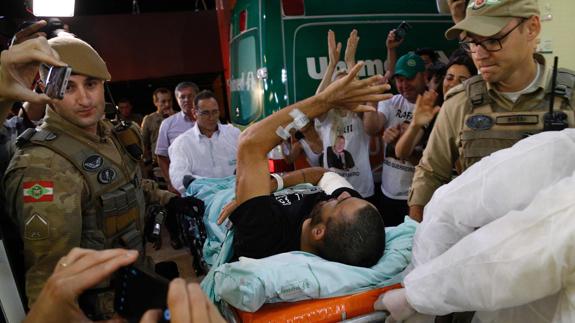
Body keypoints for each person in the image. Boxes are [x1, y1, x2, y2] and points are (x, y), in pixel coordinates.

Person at [1, 35, 194, 316]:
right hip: (101, 311)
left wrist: (167, 200)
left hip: (137, 287)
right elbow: (47, 285)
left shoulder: (112, 135)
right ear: (47, 90)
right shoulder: (43, 168)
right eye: (68, 87)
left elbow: (130, 184)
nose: (84, 99)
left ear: (104, 85)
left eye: (91, 84)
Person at [376, 128, 575, 323]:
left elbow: (525, 253)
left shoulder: (561, 149)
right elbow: (449, 204)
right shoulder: (562, 150)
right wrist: (418, 292)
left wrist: (417, 295)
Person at [408, 0, 575, 222]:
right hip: (480, 248)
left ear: (532, 28)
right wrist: (415, 236)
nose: (479, 54)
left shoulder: (571, 97)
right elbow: (430, 174)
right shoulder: (460, 103)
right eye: (472, 42)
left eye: (493, 40)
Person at [222, 62, 390, 267]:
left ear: (319, 232)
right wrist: (274, 184)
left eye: (340, 202)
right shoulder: (351, 213)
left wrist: (326, 100)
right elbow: (322, 174)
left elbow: (250, 143)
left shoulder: (265, 236)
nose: (344, 194)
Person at [24, 248, 225, 323]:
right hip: (101, 297)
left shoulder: (117, 153)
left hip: (128, 281)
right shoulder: (49, 165)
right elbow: (48, 265)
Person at [364, 52, 427, 226]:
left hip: (418, 198)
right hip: (387, 194)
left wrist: (400, 146)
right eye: (399, 79)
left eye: (410, 78)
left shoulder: (432, 107)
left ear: (424, 76)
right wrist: (374, 99)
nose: (404, 85)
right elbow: (371, 128)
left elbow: (430, 162)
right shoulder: (392, 102)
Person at [315, 30, 375, 200]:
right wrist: (331, 65)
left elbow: (361, 94)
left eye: (347, 85)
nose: (344, 90)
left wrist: (350, 63)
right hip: (333, 189)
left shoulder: (359, 113)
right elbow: (318, 100)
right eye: (339, 85)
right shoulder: (327, 115)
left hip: (362, 189)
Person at [394, 53, 477, 162]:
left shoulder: (479, 115)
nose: (453, 84)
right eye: (449, 78)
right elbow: (401, 153)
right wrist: (415, 124)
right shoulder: (433, 111)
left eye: (462, 81)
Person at [168, 90, 240, 194]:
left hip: (236, 195)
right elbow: (179, 178)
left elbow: (248, 163)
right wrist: (210, 188)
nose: (211, 117)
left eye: (215, 112)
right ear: (194, 113)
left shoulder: (234, 134)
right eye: (205, 113)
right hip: (204, 199)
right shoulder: (182, 143)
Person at [156, 82, 199, 193]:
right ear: (177, 99)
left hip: (210, 179)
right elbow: (161, 156)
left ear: (197, 97)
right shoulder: (168, 124)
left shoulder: (209, 119)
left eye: (190, 96)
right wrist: (170, 182)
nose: (186, 100)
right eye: (182, 97)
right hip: (182, 186)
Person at [141, 87, 174, 177]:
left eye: (169, 101)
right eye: (163, 102)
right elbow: (143, 143)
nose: (167, 104)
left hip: (178, 163)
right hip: (159, 165)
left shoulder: (179, 117)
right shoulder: (149, 119)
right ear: (156, 102)